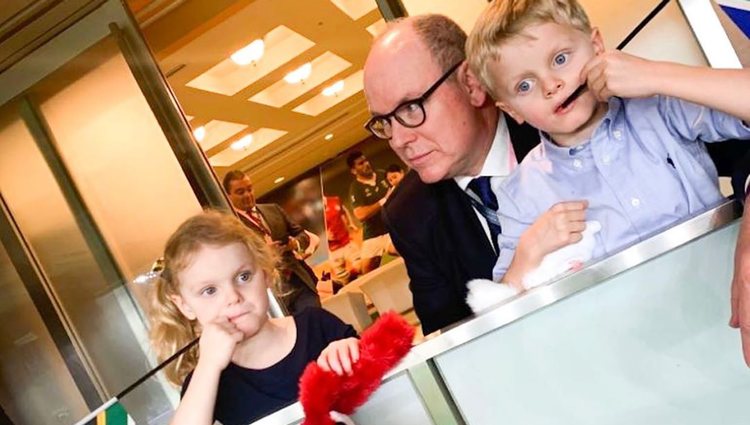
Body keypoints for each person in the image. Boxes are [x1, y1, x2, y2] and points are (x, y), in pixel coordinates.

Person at [465, 0, 750, 284]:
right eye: (524, 86)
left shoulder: (660, 109)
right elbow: (507, 307)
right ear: (512, 111)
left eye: (560, 59)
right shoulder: (520, 196)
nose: (551, 85)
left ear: (597, 47)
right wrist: (528, 253)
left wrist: (656, 75)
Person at [364, 14, 589, 335]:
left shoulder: (557, 122)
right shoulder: (410, 215)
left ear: (471, 83)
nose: (399, 140)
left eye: (411, 107)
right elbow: (454, 338)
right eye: (385, 122)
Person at [149, 211, 359, 425]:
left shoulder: (317, 326)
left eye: (243, 277)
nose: (233, 297)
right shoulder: (208, 381)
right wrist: (208, 365)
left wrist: (351, 350)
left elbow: (381, 374)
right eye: (210, 290)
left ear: (265, 274)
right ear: (185, 305)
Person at [223, 170, 321, 314]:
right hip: (270, 294)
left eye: (249, 189)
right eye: (240, 192)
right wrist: (263, 254)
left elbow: (302, 234)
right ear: (228, 196)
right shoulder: (231, 227)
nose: (247, 195)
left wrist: (295, 244)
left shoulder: (273, 210)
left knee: (317, 325)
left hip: (299, 281)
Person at [347, 151, 394, 273]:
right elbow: (361, 215)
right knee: (366, 271)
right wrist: (383, 201)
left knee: (399, 250)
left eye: (366, 160)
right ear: (353, 170)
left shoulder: (383, 175)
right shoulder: (356, 188)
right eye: (360, 163)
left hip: (391, 228)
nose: (366, 164)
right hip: (372, 235)